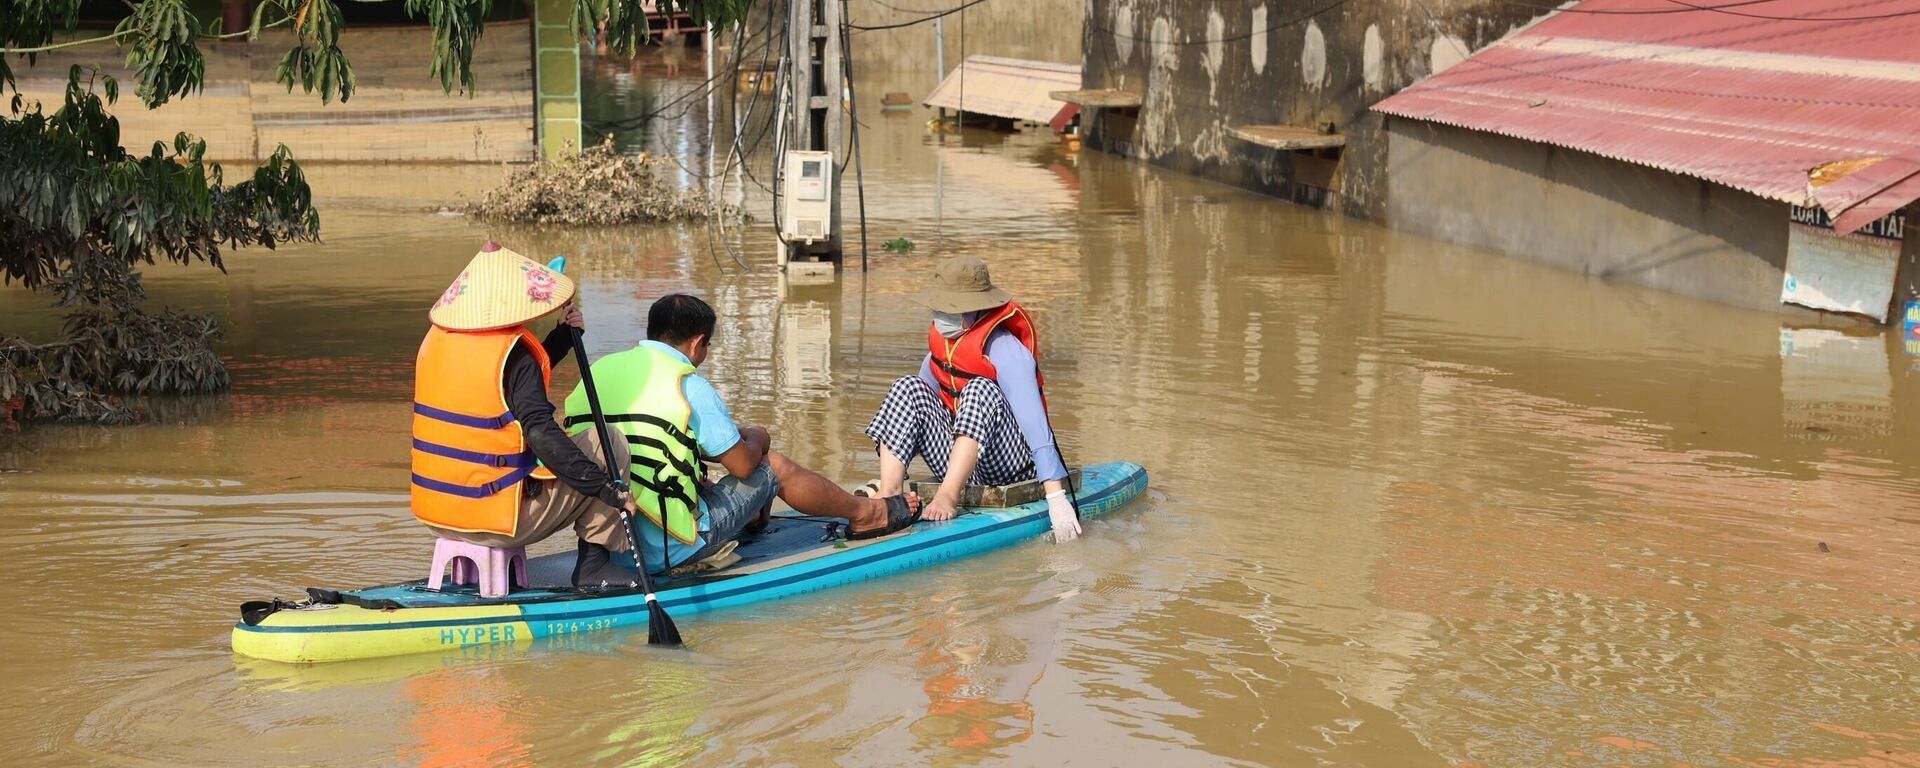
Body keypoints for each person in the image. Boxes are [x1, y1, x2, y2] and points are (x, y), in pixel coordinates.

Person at [563, 293, 922, 579]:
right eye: (707, 347)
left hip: (608, 547)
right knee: (772, 466)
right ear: (697, 342)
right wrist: (757, 436)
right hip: (668, 549)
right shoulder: (685, 383)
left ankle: (752, 517)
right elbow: (742, 465)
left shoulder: (599, 371)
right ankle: (867, 513)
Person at [409, 242, 645, 588]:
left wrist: (563, 337)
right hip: (495, 521)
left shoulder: (437, 342)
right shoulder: (514, 353)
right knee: (608, 441)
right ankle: (593, 567)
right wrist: (605, 489)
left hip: (437, 515)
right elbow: (540, 433)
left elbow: (504, 384)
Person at [863, 255, 1081, 542]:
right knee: (907, 386)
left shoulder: (1006, 350)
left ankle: (947, 496)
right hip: (962, 462)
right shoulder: (942, 348)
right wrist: (893, 474)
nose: (942, 315)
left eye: (951, 308)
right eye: (939, 307)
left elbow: (1035, 425)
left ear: (977, 307)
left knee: (980, 388)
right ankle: (890, 495)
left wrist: (1056, 499)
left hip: (1007, 466)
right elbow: (912, 414)